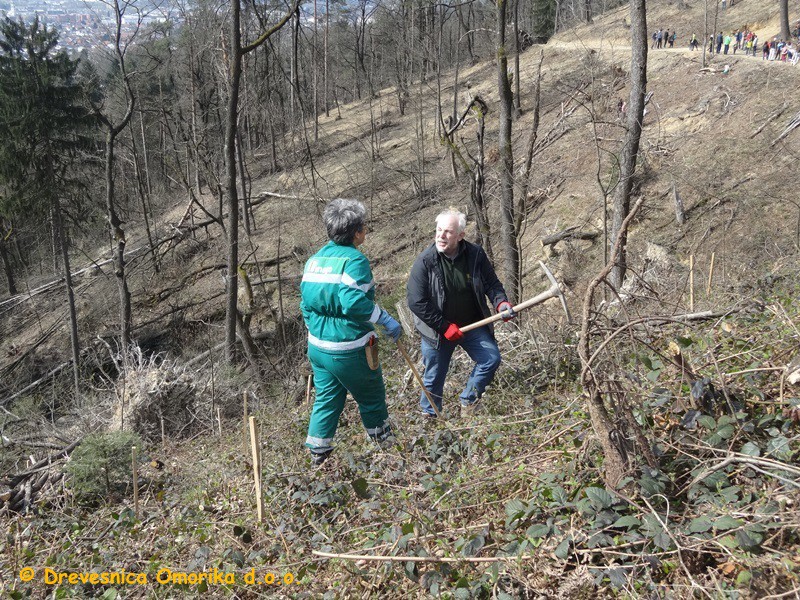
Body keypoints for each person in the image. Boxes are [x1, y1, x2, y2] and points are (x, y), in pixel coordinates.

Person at [300, 198, 403, 466]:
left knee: (326, 398)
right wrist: (384, 318)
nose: (366, 231)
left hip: (318, 348)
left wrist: (317, 331)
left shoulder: (315, 260)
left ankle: (318, 458)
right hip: (349, 348)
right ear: (356, 231)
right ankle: (387, 451)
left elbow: (305, 303)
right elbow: (353, 302)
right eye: (364, 227)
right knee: (371, 395)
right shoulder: (355, 260)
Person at [407, 209, 515, 417]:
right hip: (438, 331)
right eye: (439, 230)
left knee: (490, 359)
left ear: (460, 236)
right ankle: (430, 416)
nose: (441, 236)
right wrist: (444, 326)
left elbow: (491, 283)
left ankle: (469, 400)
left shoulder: (475, 255)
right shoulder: (425, 262)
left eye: (448, 231)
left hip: (472, 324)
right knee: (434, 376)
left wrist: (500, 302)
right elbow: (416, 302)